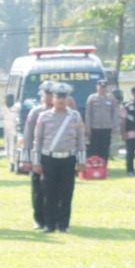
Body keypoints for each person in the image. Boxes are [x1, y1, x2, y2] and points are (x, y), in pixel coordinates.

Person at [32, 82, 86, 233]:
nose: (61, 100)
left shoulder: (75, 116)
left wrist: (81, 161)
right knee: (49, 193)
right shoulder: (43, 116)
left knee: (66, 192)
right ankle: (49, 225)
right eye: (58, 96)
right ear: (52, 99)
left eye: (64, 96)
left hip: (68, 159)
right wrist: (36, 162)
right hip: (49, 159)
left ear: (68, 98)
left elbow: (81, 140)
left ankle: (63, 225)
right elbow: (38, 140)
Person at [20, 81, 56, 230]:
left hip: (56, 155)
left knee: (56, 189)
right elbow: (28, 137)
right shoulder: (35, 113)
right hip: (38, 156)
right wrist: (26, 159)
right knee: (38, 190)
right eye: (46, 94)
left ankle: (55, 219)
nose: (49, 97)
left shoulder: (64, 112)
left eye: (51, 94)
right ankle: (39, 219)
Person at [85, 78, 118, 162]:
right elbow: (88, 113)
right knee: (94, 147)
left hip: (106, 127)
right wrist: (88, 127)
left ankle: (104, 166)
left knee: (105, 147)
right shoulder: (92, 98)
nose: (102, 89)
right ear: (97, 87)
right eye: (100, 87)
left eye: (104, 87)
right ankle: (94, 165)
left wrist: (114, 125)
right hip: (94, 127)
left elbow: (114, 112)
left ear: (106, 88)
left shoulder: (111, 98)